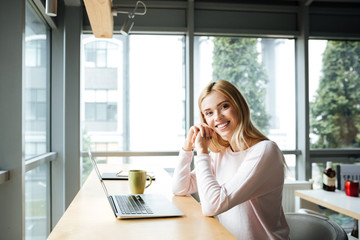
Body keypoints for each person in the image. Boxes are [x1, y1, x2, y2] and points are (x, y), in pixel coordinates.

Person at [172, 80, 289, 239]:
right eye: (209, 113)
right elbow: (180, 187)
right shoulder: (220, 153)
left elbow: (212, 205)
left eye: (224, 106)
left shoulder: (265, 151)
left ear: (239, 106)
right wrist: (187, 148)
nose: (218, 117)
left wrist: (203, 152)